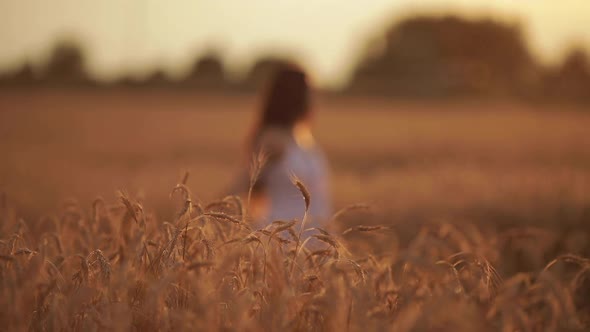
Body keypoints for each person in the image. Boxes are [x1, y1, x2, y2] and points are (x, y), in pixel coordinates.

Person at [229, 64, 331, 229]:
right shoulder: (273, 140)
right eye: (310, 91)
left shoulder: (304, 136)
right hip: (281, 239)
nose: (315, 97)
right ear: (295, 96)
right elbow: (243, 185)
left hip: (312, 237)